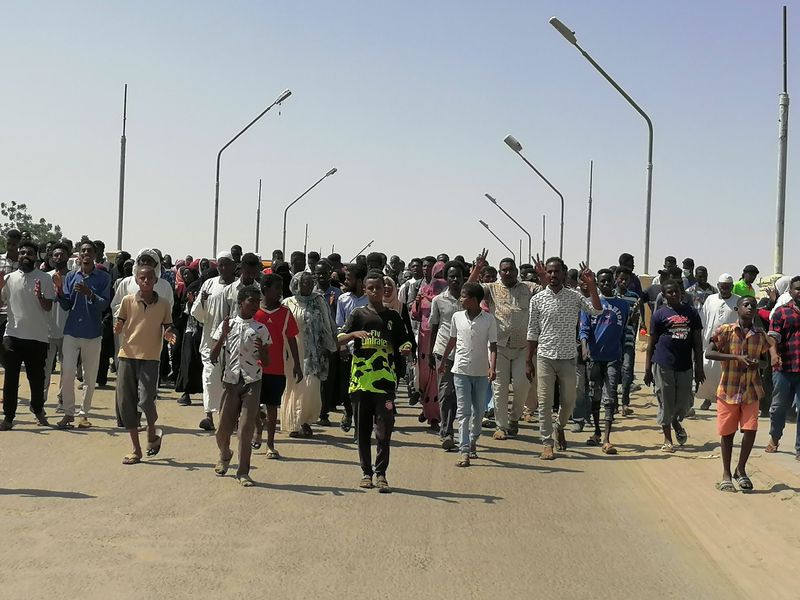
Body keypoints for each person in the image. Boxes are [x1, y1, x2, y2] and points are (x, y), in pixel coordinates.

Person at [338, 270, 412, 493]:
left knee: (384, 430)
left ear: (384, 290)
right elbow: (339, 337)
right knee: (362, 431)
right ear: (365, 289)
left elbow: (405, 341)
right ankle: (366, 473)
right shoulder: (358, 314)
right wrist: (354, 335)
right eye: (370, 288)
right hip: (361, 382)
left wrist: (406, 348)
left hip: (386, 383)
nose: (374, 291)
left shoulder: (393, 317)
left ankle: (381, 474)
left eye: (378, 288)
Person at [526, 257, 601, 459]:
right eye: (549, 272)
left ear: (564, 273)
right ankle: (547, 443)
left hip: (568, 357)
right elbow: (532, 332)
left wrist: (592, 286)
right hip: (545, 358)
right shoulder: (537, 299)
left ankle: (560, 426)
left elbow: (596, 310)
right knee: (545, 402)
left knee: (569, 401)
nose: (552, 275)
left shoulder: (574, 297)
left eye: (556, 271)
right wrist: (528, 361)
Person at [469, 251, 541, 440]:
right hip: (498, 346)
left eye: (511, 270)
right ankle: (501, 426)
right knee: (499, 388)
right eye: (504, 270)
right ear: (499, 273)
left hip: (523, 347)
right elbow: (468, 289)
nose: (507, 273)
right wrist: (477, 269)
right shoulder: (490, 288)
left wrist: (542, 275)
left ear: (517, 271)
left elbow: (549, 292)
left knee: (522, 385)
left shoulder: (529, 287)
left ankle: (514, 418)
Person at [705, 296, 772, 491]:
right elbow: (709, 353)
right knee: (727, 434)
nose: (750, 308)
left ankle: (740, 469)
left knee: (750, 430)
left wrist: (756, 363)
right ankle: (726, 473)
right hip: (729, 389)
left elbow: (765, 362)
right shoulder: (725, 331)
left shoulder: (760, 335)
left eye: (753, 305)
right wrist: (735, 357)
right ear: (737, 309)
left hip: (751, 389)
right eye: (746, 305)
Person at [113, 265, 176, 463]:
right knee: (126, 403)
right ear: (137, 280)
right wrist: (117, 327)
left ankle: (151, 434)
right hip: (127, 356)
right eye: (142, 278)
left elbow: (168, 326)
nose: (146, 281)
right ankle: (136, 449)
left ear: (155, 280)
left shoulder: (164, 304)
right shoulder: (127, 300)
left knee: (147, 400)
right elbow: (120, 323)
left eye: (150, 278)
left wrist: (168, 334)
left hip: (150, 358)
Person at [209, 288, 271, 487]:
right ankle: (225, 454)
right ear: (241, 302)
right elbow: (212, 356)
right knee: (222, 429)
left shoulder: (260, 329)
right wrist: (222, 336)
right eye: (251, 301)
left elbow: (267, 362)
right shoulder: (228, 325)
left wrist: (262, 352)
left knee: (245, 429)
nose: (255, 305)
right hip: (230, 381)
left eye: (257, 301)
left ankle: (243, 472)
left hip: (252, 382)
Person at [53, 240, 112, 429]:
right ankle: (68, 413)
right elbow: (67, 304)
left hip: (93, 333)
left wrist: (90, 294)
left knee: (89, 377)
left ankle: (84, 414)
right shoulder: (71, 276)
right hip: (71, 331)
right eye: (83, 251)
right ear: (79, 255)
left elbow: (104, 305)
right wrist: (60, 290)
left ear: (95, 255)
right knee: (68, 373)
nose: (86, 254)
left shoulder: (103, 278)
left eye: (89, 251)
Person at [438, 282, 497, 467]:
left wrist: (492, 367)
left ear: (473, 300)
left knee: (478, 411)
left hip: (480, 372)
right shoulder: (457, 317)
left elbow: (493, 346)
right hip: (460, 370)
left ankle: (473, 440)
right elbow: (453, 339)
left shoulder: (489, 320)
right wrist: (444, 360)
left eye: (463, 297)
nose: (461, 299)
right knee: (463, 412)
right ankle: (464, 450)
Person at [643, 279, 705, 453]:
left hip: (685, 364)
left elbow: (697, 343)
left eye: (676, 292)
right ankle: (667, 439)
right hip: (663, 364)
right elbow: (651, 344)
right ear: (664, 295)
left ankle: (676, 421)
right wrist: (648, 370)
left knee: (685, 402)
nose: (673, 295)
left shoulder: (691, 313)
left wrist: (699, 368)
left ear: (681, 293)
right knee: (665, 401)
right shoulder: (659, 315)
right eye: (669, 292)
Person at [0, 239, 56, 429]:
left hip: (37, 337)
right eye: (22, 252)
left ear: (35, 256)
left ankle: (38, 409)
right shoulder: (8, 278)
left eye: (29, 253)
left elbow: (48, 307)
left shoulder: (45, 278)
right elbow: (1, 304)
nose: (25, 256)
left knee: (37, 379)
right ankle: (8, 417)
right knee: (11, 378)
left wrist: (40, 297)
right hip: (13, 335)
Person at [281, 272, 337, 438]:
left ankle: (305, 421)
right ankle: (293, 423)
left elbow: (328, 324)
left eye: (310, 282)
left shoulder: (319, 301)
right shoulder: (287, 303)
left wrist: (331, 346)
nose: (308, 285)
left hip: (314, 353)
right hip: (292, 352)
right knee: (293, 385)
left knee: (311, 386)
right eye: (304, 282)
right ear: (296, 284)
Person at [579, 269, 629, 454]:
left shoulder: (623, 305)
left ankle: (607, 439)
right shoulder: (588, 303)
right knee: (595, 396)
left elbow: (622, 330)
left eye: (609, 281)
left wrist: (622, 352)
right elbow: (584, 329)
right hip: (594, 357)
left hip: (613, 357)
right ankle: (597, 431)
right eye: (602, 282)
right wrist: (584, 347)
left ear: (614, 282)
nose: (606, 284)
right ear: (597, 283)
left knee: (610, 397)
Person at [253, 275, 303, 457]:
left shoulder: (285, 313)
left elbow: (291, 339)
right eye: (276, 288)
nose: (280, 292)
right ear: (265, 289)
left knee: (273, 406)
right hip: (254, 367)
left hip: (276, 368)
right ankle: (258, 429)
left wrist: (297, 364)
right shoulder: (254, 311)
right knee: (252, 406)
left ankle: (270, 444)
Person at [190, 252, 237, 430]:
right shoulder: (209, 284)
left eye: (227, 265)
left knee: (231, 379)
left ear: (234, 266)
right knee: (210, 376)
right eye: (220, 265)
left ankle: (231, 417)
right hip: (211, 339)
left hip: (234, 341)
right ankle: (208, 415)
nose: (223, 268)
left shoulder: (240, 286)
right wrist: (202, 302)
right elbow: (197, 313)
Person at [428, 261, 465, 450]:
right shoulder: (438, 300)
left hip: (466, 352)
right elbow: (433, 327)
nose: (455, 279)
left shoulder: (469, 300)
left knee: (460, 394)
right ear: (446, 278)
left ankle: (459, 431)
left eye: (458, 276)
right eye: (452, 276)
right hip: (443, 352)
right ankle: (447, 432)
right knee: (445, 392)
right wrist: (430, 354)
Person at [765, 276, 800, 459]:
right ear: (791, 291)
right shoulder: (781, 312)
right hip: (784, 367)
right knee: (778, 407)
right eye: (797, 288)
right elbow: (772, 337)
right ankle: (775, 437)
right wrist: (773, 355)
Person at [410, 258, 446, 429]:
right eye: (437, 275)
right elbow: (415, 315)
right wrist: (417, 301)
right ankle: (426, 408)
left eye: (442, 274)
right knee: (424, 378)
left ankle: (434, 417)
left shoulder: (448, 295)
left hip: (440, 338)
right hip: (424, 339)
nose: (440, 278)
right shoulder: (423, 290)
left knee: (436, 378)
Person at [696, 274, 740, 410]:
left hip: (730, 344)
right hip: (710, 342)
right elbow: (703, 319)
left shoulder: (738, 301)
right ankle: (708, 399)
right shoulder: (710, 299)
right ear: (718, 286)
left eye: (727, 287)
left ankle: (722, 401)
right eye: (722, 287)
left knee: (725, 374)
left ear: (732, 287)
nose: (724, 290)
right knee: (708, 370)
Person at [335, 263, 369, 432]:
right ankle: (348, 413)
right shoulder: (343, 299)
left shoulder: (370, 300)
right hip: (347, 349)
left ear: (360, 280)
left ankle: (360, 425)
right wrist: (341, 347)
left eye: (350, 277)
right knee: (346, 386)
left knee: (362, 389)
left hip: (367, 350)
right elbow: (339, 325)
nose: (346, 281)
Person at [314, 261, 342, 426]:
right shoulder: (311, 292)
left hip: (330, 340)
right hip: (312, 340)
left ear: (329, 273)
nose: (320, 276)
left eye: (324, 273)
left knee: (327, 379)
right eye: (318, 273)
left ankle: (324, 413)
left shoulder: (337, 293)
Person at [614, 267, 644, 414]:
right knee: (613, 371)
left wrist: (634, 318)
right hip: (612, 341)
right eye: (621, 279)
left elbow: (635, 320)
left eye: (626, 279)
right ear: (616, 279)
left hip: (628, 339)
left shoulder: (633, 297)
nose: (623, 281)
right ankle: (613, 402)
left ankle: (625, 403)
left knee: (626, 370)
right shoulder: (610, 295)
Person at [44, 242, 70, 410]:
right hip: (47, 330)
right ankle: (41, 399)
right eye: (55, 255)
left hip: (68, 331)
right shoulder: (45, 277)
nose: (58, 257)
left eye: (61, 254)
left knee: (66, 369)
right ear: (51, 258)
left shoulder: (73, 277)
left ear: (68, 256)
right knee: (45, 369)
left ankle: (62, 399)